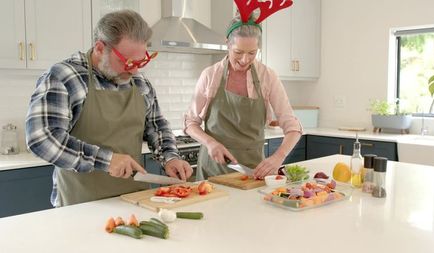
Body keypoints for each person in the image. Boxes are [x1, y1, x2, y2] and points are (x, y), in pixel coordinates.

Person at [25, 10, 192, 207]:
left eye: (141, 61)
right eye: (128, 61)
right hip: (80, 204)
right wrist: (106, 160)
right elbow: (41, 138)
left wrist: (170, 157)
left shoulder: (139, 82)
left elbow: (156, 126)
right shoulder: (65, 77)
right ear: (99, 48)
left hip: (134, 200)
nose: (135, 70)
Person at [184, 12, 303, 181]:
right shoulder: (210, 75)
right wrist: (210, 143)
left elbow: (293, 127)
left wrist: (278, 157)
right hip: (213, 170)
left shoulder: (267, 76)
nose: (245, 59)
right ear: (228, 44)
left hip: (253, 171)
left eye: (252, 53)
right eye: (238, 52)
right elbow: (190, 123)